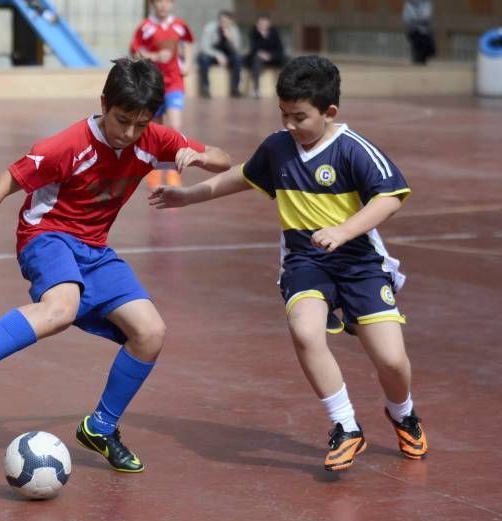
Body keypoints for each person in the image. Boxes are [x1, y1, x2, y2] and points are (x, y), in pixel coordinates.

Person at [0, 58, 231, 473]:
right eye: (122, 121)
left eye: (141, 124)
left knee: (151, 331)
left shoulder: (154, 138)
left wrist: (199, 156)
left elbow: (224, 159)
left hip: (95, 248)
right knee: (61, 308)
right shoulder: (65, 146)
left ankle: (101, 426)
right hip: (46, 236)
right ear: (104, 103)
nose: (130, 133)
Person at [149, 55, 428, 472]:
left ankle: (402, 412)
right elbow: (243, 175)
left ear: (329, 112)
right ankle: (346, 426)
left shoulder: (354, 150)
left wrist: (344, 230)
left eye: (299, 116)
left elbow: (389, 197)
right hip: (304, 259)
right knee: (305, 330)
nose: (289, 125)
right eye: (284, 114)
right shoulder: (278, 147)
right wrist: (189, 196)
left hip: (359, 262)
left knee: (390, 359)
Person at [130, 0, 194, 187]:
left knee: (174, 126)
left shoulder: (179, 25)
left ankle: (174, 170)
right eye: (159, 1)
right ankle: (155, 170)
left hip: (174, 83)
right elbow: (136, 52)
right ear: (152, 4)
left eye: (167, 1)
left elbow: (188, 42)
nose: (163, 5)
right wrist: (156, 56)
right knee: (155, 130)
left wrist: (188, 62)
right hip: (154, 85)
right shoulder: (145, 27)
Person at [196, 10, 243, 98]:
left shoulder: (234, 30)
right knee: (203, 59)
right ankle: (205, 88)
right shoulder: (210, 27)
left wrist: (230, 39)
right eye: (222, 21)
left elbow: (236, 49)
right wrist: (217, 55)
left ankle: (235, 89)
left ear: (231, 22)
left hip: (228, 56)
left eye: (226, 22)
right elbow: (204, 46)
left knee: (238, 59)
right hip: (212, 55)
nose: (224, 23)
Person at [244, 14, 287, 99]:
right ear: (257, 24)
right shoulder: (253, 33)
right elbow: (253, 48)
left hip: (273, 57)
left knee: (287, 60)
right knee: (256, 60)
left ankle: (285, 89)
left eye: (265, 23)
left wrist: (270, 55)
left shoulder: (275, 32)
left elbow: (280, 49)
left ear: (269, 23)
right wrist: (260, 53)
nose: (263, 25)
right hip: (259, 57)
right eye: (260, 23)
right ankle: (256, 90)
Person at [403, 0, 436, 65]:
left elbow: (427, 15)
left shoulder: (426, 3)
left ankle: (422, 59)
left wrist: (421, 18)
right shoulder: (410, 4)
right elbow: (407, 17)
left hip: (424, 30)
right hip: (414, 30)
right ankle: (417, 59)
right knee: (417, 47)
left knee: (428, 49)